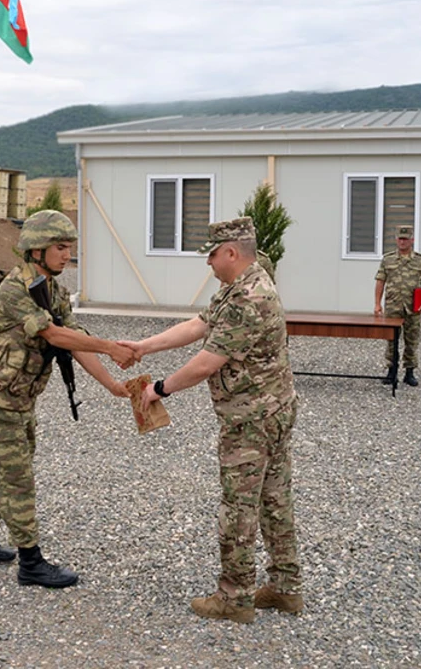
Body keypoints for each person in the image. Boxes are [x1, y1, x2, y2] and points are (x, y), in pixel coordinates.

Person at [126, 217, 302, 623]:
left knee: (239, 506)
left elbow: (207, 362)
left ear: (231, 252)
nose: (207, 262)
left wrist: (159, 389)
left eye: (210, 254)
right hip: (271, 410)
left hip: (252, 419)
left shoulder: (248, 298)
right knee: (275, 499)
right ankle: (285, 588)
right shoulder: (240, 287)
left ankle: (235, 598)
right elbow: (199, 325)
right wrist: (143, 346)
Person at [0, 210, 135, 588]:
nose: (67, 253)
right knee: (18, 479)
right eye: (59, 246)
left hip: (22, 398)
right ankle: (31, 563)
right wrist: (109, 347)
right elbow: (54, 336)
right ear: (36, 249)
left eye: (69, 246)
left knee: (9, 470)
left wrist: (112, 385)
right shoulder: (15, 289)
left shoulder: (52, 290)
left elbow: (74, 339)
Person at [373, 224, 421, 387]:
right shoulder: (388, 259)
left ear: (412, 240)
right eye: (400, 239)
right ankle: (391, 371)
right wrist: (377, 304)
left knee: (412, 340)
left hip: (413, 308)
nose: (402, 242)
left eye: (406, 239)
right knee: (391, 340)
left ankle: (409, 373)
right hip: (393, 307)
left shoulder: (420, 261)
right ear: (396, 239)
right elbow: (381, 281)